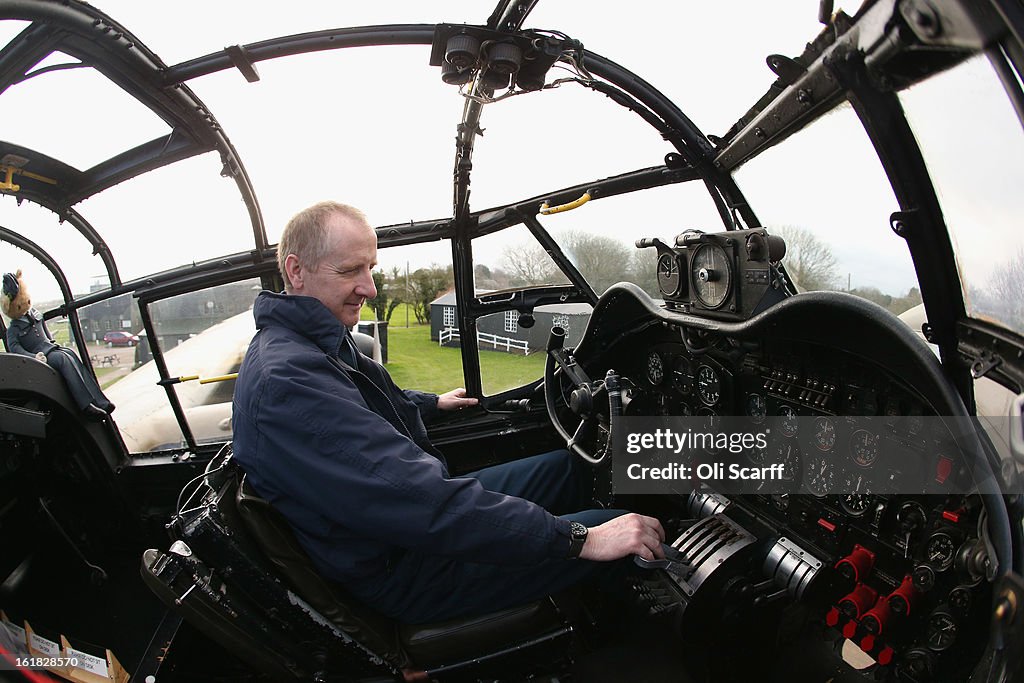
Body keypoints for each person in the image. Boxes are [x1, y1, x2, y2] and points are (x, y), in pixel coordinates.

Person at [231, 201, 664, 624]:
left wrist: (431, 403)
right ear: (295, 270)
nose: (370, 288)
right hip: (401, 568)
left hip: (401, 529)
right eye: (349, 271)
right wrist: (582, 540)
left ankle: (718, 465)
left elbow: (369, 402)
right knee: (622, 532)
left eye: (370, 269)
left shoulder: (311, 341)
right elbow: (419, 501)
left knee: (569, 469)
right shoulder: (288, 381)